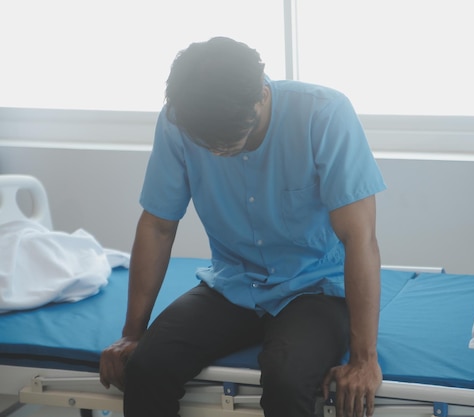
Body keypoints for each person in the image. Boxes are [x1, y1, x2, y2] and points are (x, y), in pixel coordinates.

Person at [99, 36, 386, 417]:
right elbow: (157, 227)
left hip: (314, 287)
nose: (217, 151)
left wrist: (365, 359)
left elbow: (360, 238)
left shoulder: (324, 114)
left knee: (286, 378)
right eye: (208, 144)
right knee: (147, 367)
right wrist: (132, 334)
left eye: (228, 142)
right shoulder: (179, 121)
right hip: (233, 283)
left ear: (261, 96)